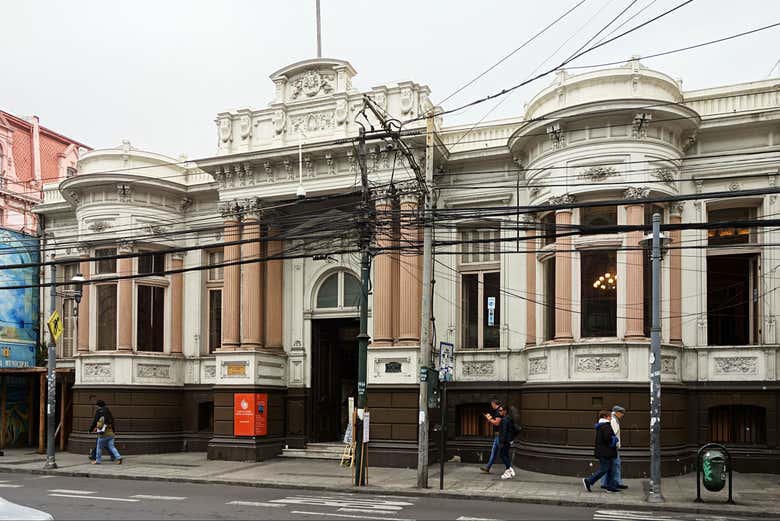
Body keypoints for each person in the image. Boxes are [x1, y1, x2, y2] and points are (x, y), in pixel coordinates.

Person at [582, 410, 619, 493]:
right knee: (604, 469)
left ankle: (610, 486)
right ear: (605, 417)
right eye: (609, 416)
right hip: (606, 452)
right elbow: (607, 438)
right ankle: (589, 481)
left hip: (604, 451)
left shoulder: (601, 426)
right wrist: (614, 439)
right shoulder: (606, 426)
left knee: (610, 469)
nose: (610, 418)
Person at [601, 405, 627, 490]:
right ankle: (612, 483)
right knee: (615, 464)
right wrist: (614, 444)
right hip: (612, 447)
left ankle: (612, 482)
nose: (622, 415)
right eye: (622, 413)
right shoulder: (613, 420)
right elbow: (612, 434)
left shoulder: (615, 419)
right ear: (617, 412)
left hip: (613, 446)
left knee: (613, 465)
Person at [88, 400, 122, 465]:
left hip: (103, 434)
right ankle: (118, 457)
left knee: (99, 447)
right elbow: (112, 421)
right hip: (111, 433)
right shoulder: (108, 411)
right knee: (112, 447)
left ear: (98, 405)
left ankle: (98, 461)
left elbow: (95, 421)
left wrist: (90, 429)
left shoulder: (99, 412)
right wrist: (114, 431)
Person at [479, 399, 502, 473]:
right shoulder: (499, 410)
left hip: (500, 435)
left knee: (503, 454)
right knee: (494, 452)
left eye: (492, 404)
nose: (491, 406)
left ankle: (509, 468)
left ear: (494, 404)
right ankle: (487, 468)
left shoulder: (499, 411)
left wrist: (490, 419)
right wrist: (491, 419)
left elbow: (497, 423)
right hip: (497, 435)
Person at [497, 405, 518, 480]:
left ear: (505, 411)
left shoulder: (505, 420)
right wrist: (511, 439)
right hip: (508, 441)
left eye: (501, 410)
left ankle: (509, 469)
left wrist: (502, 442)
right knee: (505, 455)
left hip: (505, 441)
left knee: (502, 455)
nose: (499, 412)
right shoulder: (509, 418)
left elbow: (504, 432)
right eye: (499, 410)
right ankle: (508, 470)